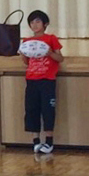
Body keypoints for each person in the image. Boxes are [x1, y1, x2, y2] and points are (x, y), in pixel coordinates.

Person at [21, 10, 63, 154]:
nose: (35, 25)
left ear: (45, 24)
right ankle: (36, 141)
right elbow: (26, 61)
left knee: (48, 110)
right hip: (31, 79)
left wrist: (50, 53)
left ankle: (49, 142)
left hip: (47, 80)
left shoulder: (51, 38)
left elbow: (60, 58)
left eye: (38, 21)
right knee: (32, 109)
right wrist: (23, 53)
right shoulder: (26, 41)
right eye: (32, 22)